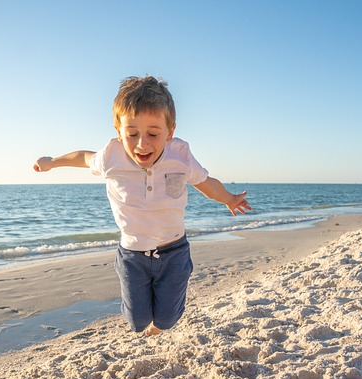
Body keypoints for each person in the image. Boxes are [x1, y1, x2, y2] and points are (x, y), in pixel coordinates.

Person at [33, 76, 251, 336]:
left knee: (167, 318)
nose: (141, 143)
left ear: (169, 131)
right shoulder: (111, 156)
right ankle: (143, 318)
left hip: (174, 251)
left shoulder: (179, 155)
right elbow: (83, 157)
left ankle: (162, 323)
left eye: (153, 133)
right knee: (137, 321)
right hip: (132, 255)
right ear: (119, 131)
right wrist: (52, 161)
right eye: (132, 133)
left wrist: (228, 198)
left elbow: (205, 183)